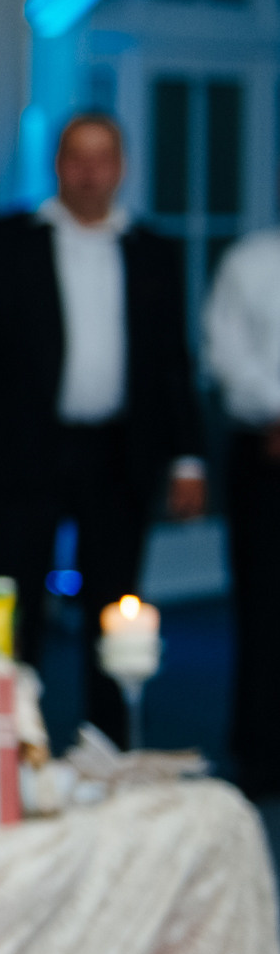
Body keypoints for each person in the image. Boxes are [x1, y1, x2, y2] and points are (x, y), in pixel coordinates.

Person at [0, 112, 206, 743]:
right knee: (15, 594)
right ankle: (8, 747)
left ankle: (107, 742)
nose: (89, 171)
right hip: (26, 445)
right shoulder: (4, 240)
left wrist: (190, 458)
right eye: (76, 157)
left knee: (113, 604)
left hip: (120, 450)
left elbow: (173, 364)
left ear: (121, 167)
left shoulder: (153, 251)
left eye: (102, 158)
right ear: (57, 165)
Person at [205, 226, 280, 799]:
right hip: (266, 449)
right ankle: (260, 755)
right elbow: (226, 356)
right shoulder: (249, 261)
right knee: (263, 608)